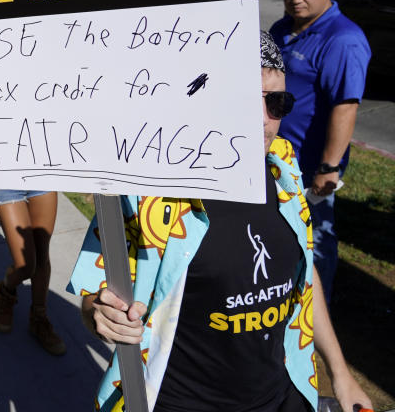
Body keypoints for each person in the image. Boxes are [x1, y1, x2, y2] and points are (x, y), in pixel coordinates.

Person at [70, 32, 372, 412]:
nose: (263, 119)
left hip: (280, 396)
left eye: (276, 103)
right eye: (246, 100)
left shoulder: (283, 166)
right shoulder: (150, 188)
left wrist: (341, 374)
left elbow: (304, 273)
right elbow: (94, 294)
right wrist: (99, 313)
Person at [269, 0, 371, 301]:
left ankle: (315, 311)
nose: (296, 0)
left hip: (310, 166)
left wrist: (328, 168)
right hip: (277, 156)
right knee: (282, 234)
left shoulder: (343, 39)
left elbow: (345, 107)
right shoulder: (284, 29)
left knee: (316, 241)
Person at [0, 189, 66, 356]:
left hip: (41, 172)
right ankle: (6, 291)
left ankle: (39, 318)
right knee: (25, 265)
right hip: (5, 180)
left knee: (42, 252)